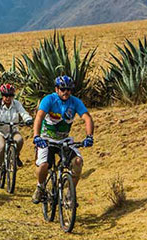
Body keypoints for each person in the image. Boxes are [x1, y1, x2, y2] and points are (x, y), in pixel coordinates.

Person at [31, 75, 94, 204]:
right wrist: (37, 136)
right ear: (56, 89)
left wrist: (89, 136)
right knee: (43, 165)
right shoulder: (49, 100)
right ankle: (40, 187)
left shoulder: (75, 102)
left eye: (69, 89)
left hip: (64, 140)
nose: (66, 92)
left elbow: (87, 118)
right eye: (63, 89)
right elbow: (39, 117)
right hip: (46, 140)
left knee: (77, 162)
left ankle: (70, 193)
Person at [0, 83, 33, 180]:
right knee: (2, 146)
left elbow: (23, 113)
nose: (8, 98)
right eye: (6, 95)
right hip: (0, 131)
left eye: (10, 95)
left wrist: (28, 119)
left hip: (13, 130)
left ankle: (16, 156)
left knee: (19, 140)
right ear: (2, 96)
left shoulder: (16, 104)